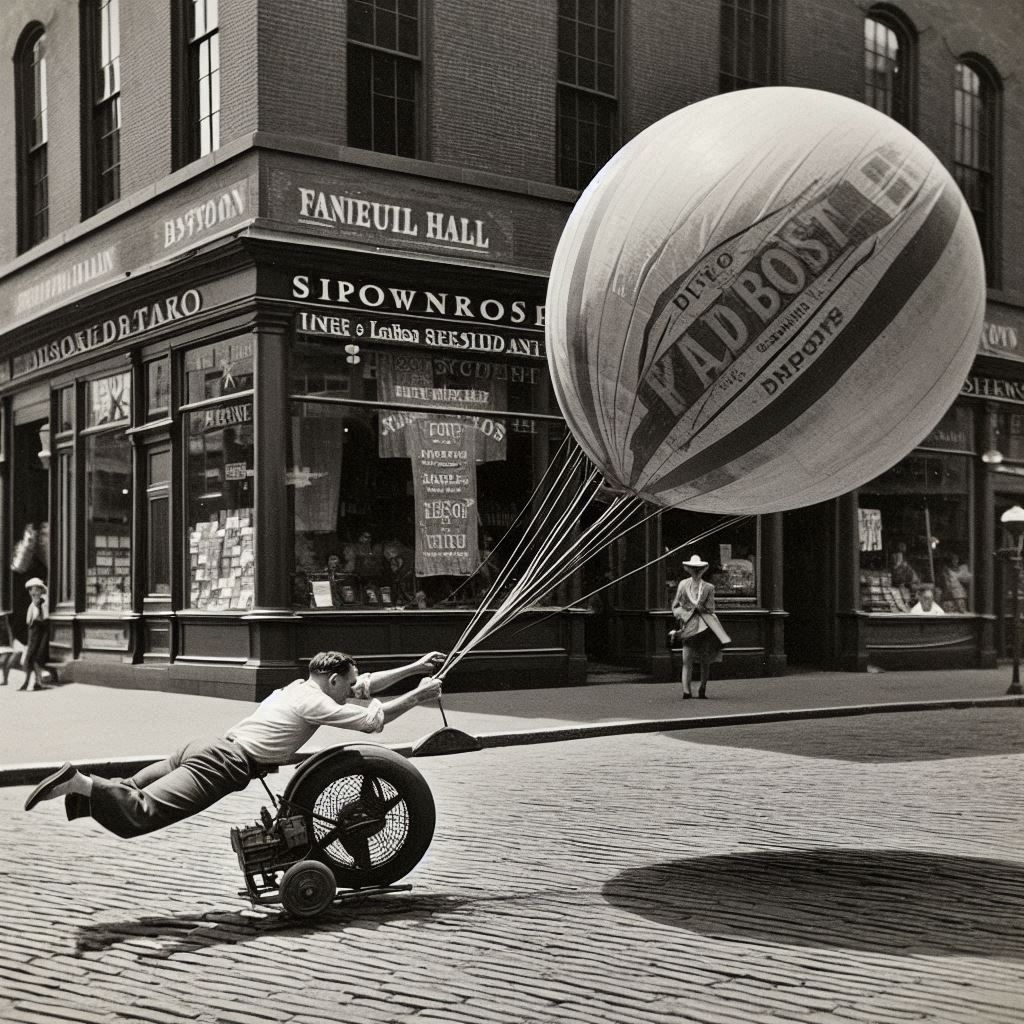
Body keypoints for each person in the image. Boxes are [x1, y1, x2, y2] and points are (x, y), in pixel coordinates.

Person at [23, 649, 446, 836]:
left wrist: (415, 668)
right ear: (332, 680)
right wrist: (420, 695)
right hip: (223, 763)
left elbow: (365, 687)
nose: (355, 689)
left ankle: (79, 787)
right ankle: (78, 783)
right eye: (348, 684)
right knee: (143, 814)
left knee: (133, 787)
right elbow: (373, 719)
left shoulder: (300, 686)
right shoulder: (317, 704)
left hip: (203, 746)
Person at [670, 554, 731, 699]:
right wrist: (683, 614)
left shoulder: (709, 587)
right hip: (689, 625)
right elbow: (675, 606)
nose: (695, 570)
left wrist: (701, 609)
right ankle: (686, 691)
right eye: (693, 568)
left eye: (698, 568)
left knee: (705, 659)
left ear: (703, 570)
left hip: (705, 626)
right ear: (688, 569)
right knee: (687, 659)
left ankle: (702, 688)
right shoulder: (683, 585)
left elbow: (711, 608)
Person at [19, 577, 50, 692]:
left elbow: (43, 620)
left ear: (41, 591)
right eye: (31, 590)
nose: (32, 593)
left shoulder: (42, 604)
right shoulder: (33, 604)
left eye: (35, 590)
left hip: (38, 633)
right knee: (32, 659)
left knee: (32, 658)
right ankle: (34, 682)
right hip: (33, 633)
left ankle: (35, 682)